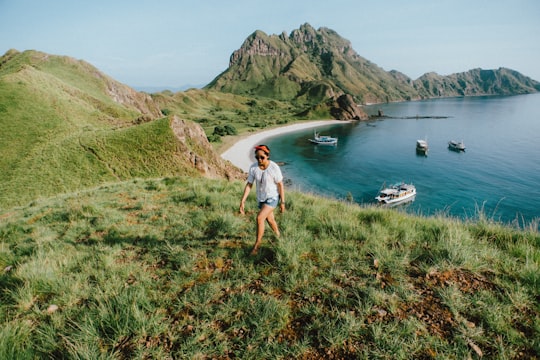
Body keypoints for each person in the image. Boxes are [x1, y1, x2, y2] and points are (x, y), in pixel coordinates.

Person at [239, 144, 285, 255]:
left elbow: (280, 185)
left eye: (262, 157)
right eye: (257, 157)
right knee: (270, 220)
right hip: (261, 199)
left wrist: (282, 202)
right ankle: (279, 236)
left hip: (272, 198)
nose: (259, 160)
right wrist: (242, 201)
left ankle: (256, 246)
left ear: (267, 156)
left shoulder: (274, 167)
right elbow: (249, 184)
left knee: (259, 218)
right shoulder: (253, 168)